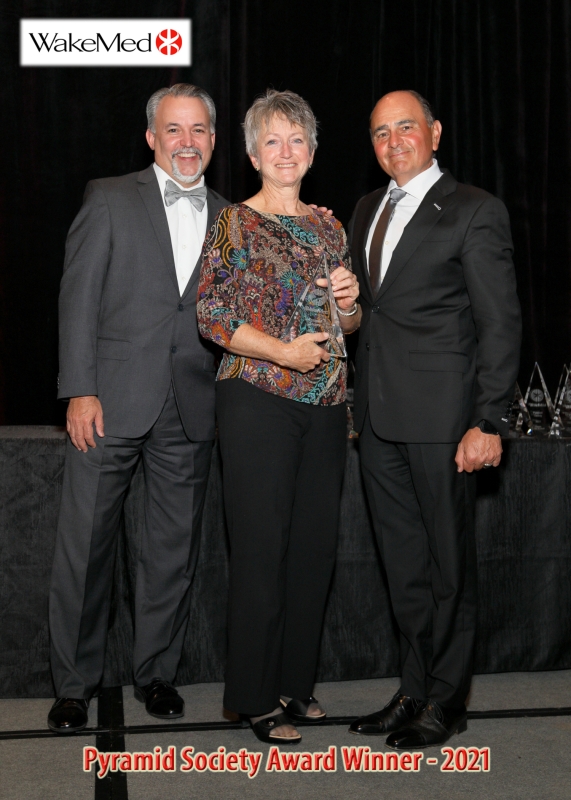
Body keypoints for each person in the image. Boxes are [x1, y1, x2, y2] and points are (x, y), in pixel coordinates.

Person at [47, 84, 229, 734]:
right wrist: (79, 388)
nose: (187, 141)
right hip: (108, 402)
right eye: (173, 129)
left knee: (171, 552)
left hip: (191, 405)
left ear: (213, 139)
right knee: (85, 549)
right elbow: (77, 296)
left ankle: (156, 674)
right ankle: (74, 686)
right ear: (152, 138)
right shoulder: (108, 197)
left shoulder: (232, 216)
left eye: (198, 129)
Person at [348, 90, 521, 748]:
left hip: (446, 419)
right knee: (403, 566)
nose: (393, 141)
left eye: (406, 127)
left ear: (435, 133)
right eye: (380, 132)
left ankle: (447, 700)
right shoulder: (367, 208)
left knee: (449, 567)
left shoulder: (474, 208)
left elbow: (499, 321)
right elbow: (370, 311)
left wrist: (488, 419)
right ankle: (413, 689)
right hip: (377, 418)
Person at [197, 90, 360, 745]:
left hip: (326, 405)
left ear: (312, 152)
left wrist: (349, 304)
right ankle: (255, 698)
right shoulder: (234, 223)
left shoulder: (329, 229)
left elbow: (347, 325)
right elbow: (212, 316)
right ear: (252, 154)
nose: (285, 151)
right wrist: (283, 352)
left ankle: (295, 683)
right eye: (272, 140)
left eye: (297, 140)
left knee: (312, 553)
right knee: (261, 551)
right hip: (256, 399)